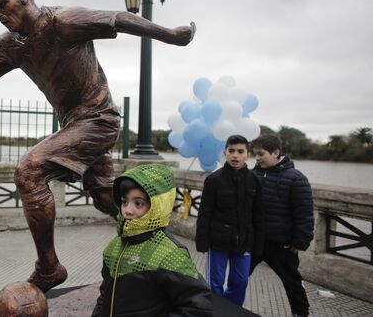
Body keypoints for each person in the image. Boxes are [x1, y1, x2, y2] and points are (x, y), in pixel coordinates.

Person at [0, 0, 196, 293]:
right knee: (105, 197)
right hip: (74, 126)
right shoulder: (11, 44)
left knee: (28, 170)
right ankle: (156, 237)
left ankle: (48, 268)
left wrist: (171, 35)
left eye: (0, 4)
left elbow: (120, 18)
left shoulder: (63, 22)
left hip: (99, 120)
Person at [92, 164, 213, 317]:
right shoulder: (114, 246)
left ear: (158, 205)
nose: (128, 210)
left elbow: (198, 306)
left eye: (138, 203)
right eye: (124, 202)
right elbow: (105, 293)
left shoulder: (169, 254)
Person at [195, 135, 264, 307]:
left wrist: (258, 245)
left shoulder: (254, 180)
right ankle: (216, 311)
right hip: (218, 241)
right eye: (231, 151)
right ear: (225, 153)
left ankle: (231, 310)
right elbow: (204, 212)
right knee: (215, 283)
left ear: (247, 154)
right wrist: (202, 240)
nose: (235, 155)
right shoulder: (214, 180)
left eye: (240, 151)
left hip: (244, 241)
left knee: (240, 282)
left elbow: (259, 215)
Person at [250, 134, 314, 317]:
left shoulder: (296, 178)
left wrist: (300, 242)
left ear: (276, 152)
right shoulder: (253, 174)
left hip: (281, 244)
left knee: (292, 282)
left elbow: (304, 214)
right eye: (256, 154)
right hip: (255, 241)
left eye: (261, 154)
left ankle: (300, 313)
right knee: (238, 278)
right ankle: (226, 305)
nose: (258, 158)